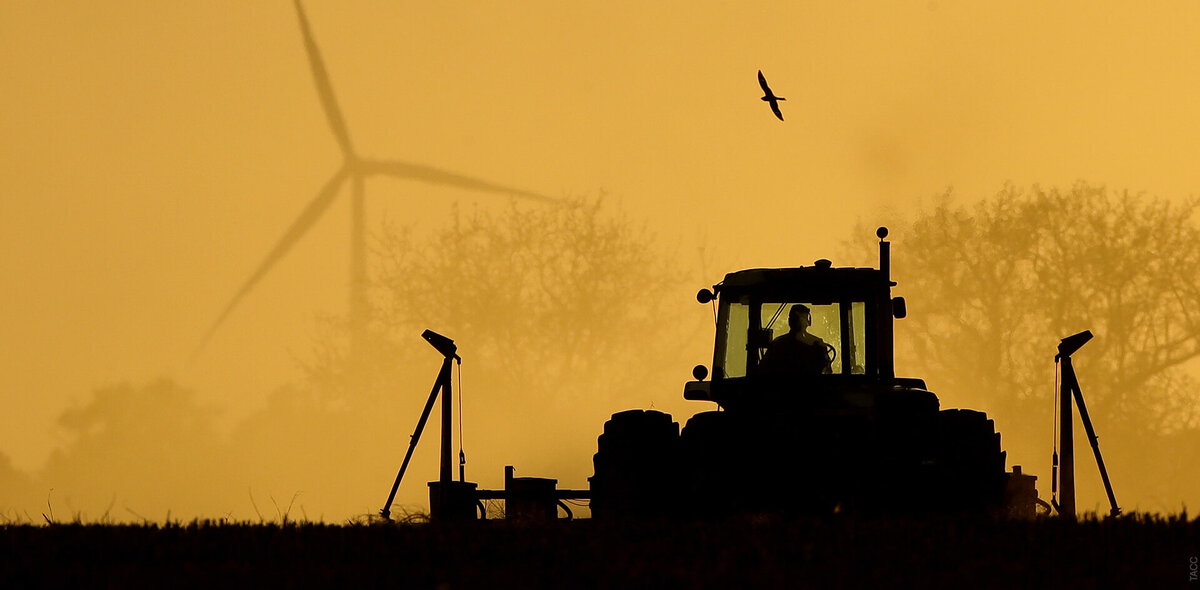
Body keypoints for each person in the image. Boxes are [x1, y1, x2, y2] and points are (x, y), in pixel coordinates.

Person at [760, 304, 833, 377]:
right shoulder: (777, 344)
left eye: (801, 318)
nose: (799, 321)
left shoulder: (778, 343)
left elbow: (826, 370)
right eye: (796, 318)